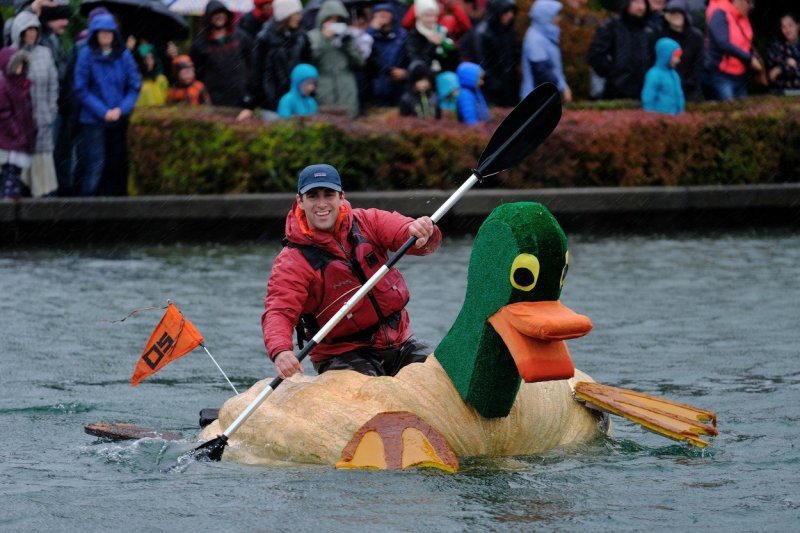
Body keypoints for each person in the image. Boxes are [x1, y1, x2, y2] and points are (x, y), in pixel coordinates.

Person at [262, 163, 442, 379]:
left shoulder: (368, 221)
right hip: (341, 354)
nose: (321, 204)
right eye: (312, 196)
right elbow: (279, 310)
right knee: (370, 396)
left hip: (399, 342)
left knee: (441, 375)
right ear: (300, 201)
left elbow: (408, 234)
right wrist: (281, 351)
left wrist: (423, 232)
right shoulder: (292, 261)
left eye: (329, 194)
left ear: (341, 197)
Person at [72, 13, 141, 197]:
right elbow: (81, 89)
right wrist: (103, 111)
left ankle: (113, 211)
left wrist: (121, 109)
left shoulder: (124, 55)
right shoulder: (86, 55)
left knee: (116, 165)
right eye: (101, 33)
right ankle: (86, 208)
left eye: (109, 33)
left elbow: (134, 85)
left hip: (118, 119)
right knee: (95, 164)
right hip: (93, 120)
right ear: (94, 34)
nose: (105, 36)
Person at [10, 9, 57, 197]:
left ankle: (43, 216)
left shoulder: (45, 53)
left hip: (42, 121)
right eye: (27, 30)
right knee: (18, 174)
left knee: (43, 175)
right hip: (17, 125)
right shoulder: (11, 55)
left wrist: (51, 111)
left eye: (34, 30)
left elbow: (53, 84)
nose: (31, 34)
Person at [239, 0, 306, 121]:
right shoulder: (265, 38)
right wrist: (250, 104)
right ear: (286, 15)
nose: (299, 17)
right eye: (296, 14)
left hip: (297, 100)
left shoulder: (301, 37)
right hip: (273, 103)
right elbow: (257, 73)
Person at [304, 0, 366, 118]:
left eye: (338, 20)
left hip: (346, 85)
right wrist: (324, 39)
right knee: (326, 122)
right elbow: (310, 61)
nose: (334, 23)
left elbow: (360, 62)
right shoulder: (313, 36)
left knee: (349, 121)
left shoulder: (346, 36)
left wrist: (348, 43)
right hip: (324, 85)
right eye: (330, 19)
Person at [587, 0, 657, 100]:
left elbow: (654, 57)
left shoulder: (650, 30)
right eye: (636, 2)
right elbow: (596, 54)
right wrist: (613, 73)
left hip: (644, 89)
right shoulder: (612, 27)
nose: (641, 7)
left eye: (643, 3)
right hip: (615, 90)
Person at [190, 1, 252, 108]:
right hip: (215, 99)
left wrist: (249, 89)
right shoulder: (200, 44)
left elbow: (251, 62)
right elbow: (196, 72)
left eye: (222, 13)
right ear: (209, 17)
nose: (220, 16)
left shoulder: (241, 37)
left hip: (240, 96)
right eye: (215, 13)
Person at [702, 0, 763, 101]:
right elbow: (723, 44)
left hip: (740, 75)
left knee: (744, 112)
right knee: (727, 112)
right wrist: (749, 59)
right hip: (721, 76)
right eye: (749, 2)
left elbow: (745, 42)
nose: (752, 6)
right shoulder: (719, 13)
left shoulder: (742, 16)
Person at [0, 47, 36, 200]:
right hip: (10, 138)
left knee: (15, 174)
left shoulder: (22, 84)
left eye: (22, 65)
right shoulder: (4, 85)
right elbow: (4, 113)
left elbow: (27, 109)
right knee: (9, 172)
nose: (19, 69)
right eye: (16, 65)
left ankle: (12, 202)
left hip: (21, 135)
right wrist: (16, 132)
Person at [467, 0, 518, 107]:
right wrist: (493, 83)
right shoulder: (482, 33)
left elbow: (512, 55)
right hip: (491, 87)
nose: (510, 16)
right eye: (506, 12)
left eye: (512, 12)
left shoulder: (508, 30)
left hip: (508, 83)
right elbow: (481, 61)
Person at [520, 0, 571, 103]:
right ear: (545, 16)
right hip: (536, 99)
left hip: (545, 97)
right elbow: (541, 70)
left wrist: (563, 86)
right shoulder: (534, 39)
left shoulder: (547, 35)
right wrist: (559, 88)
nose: (558, 18)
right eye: (556, 15)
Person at [365, 3, 409, 107]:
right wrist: (371, 31)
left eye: (386, 13)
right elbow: (361, 54)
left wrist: (406, 72)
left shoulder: (403, 36)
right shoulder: (368, 36)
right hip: (375, 88)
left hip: (399, 88)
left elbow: (412, 58)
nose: (382, 16)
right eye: (379, 13)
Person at [659, 0, 704, 102]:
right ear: (667, 16)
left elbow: (698, 64)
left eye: (679, 13)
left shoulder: (696, 37)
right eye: (673, 13)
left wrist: (689, 83)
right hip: (666, 88)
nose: (676, 16)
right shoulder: (661, 35)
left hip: (690, 89)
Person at [405, 0, 457, 75]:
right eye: (427, 15)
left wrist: (450, 49)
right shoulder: (413, 36)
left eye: (434, 15)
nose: (431, 19)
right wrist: (432, 45)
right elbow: (418, 64)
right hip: (424, 80)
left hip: (443, 78)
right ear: (419, 16)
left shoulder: (442, 31)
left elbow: (452, 63)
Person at [642, 37, 685, 114]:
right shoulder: (654, 74)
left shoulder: (674, 74)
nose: (678, 60)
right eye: (675, 56)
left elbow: (679, 96)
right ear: (666, 55)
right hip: (660, 120)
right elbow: (648, 99)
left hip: (676, 120)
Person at [401, 0, 473, 42]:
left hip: (445, 46)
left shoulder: (448, 7)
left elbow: (467, 26)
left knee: (448, 20)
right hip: (421, 42)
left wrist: (450, 5)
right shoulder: (423, 4)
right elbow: (406, 24)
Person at [765, 13, 800, 95]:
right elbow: (770, 77)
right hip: (780, 93)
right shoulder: (776, 47)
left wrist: (781, 68)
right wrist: (786, 65)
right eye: (783, 27)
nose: (787, 30)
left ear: (798, 26)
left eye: (790, 25)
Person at [455, 61, 488, 126]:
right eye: (479, 78)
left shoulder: (475, 91)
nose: (482, 82)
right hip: (475, 132)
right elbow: (470, 121)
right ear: (470, 78)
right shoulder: (465, 96)